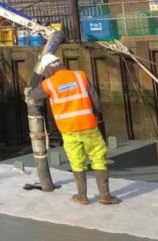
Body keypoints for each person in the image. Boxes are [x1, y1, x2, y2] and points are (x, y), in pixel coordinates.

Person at [25, 53, 121, 205]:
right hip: (89, 125)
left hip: (69, 130)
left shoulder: (49, 84)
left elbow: (34, 95)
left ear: (47, 70)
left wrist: (29, 91)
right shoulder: (80, 76)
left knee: (77, 161)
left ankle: (82, 196)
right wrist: (95, 114)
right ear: (60, 64)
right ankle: (105, 196)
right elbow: (94, 98)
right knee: (98, 158)